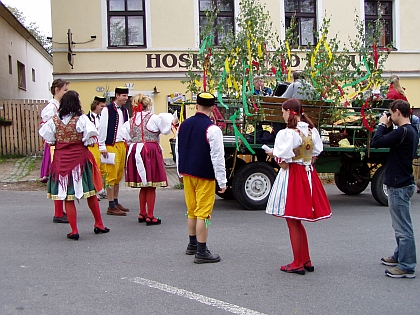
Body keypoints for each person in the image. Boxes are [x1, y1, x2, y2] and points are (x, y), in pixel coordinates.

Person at [265, 98, 332, 275]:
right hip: (307, 174)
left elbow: (284, 163)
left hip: (293, 176)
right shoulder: (311, 131)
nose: (282, 114)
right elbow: (314, 154)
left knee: (292, 219)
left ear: (289, 111)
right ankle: (306, 259)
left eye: (283, 111)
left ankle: (297, 262)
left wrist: (274, 154)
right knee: (297, 221)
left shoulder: (288, 133)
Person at [39, 90, 109, 240]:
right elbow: (90, 139)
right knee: (90, 193)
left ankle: (74, 230)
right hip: (79, 161)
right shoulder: (81, 119)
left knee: (67, 197)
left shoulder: (53, 120)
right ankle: (99, 224)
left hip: (60, 161)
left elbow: (50, 140)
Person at [176, 92, 227, 264]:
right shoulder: (212, 129)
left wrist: (179, 171)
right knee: (203, 214)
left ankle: (192, 244)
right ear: (213, 108)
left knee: (191, 210)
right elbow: (218, 158)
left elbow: (179, 150)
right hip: (205, 174)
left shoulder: (183, 125)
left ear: (196, 106)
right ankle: (202, 250)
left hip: (187, 172)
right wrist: (222, 181)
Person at [371, 100, 418, 279]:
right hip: (403, 182)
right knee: (400, 225)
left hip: (399, 185)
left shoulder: (403, 132)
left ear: (398, 112)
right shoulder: (411, 131)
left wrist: (383, 125)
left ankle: (407, 266)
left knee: (403, 228)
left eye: (391, 113)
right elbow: (391, 142)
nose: (390, 117)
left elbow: (377, 142)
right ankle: (400, 256)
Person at [123, 93, 177, 225]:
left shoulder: (131, 120)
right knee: (151, 185)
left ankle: (142, 213)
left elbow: (125, 136)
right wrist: (173, 122)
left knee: (143, 185)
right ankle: (150, 216)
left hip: (135, 150)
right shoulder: (153, 118)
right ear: (148, 106)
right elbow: (165, 130)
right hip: (149, 150)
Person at [40, 79, 70, 223]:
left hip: (58, 146)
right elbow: (47, 129)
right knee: (57, 177)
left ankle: (60, 210)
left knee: (61, 177)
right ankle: (58, 212)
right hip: (54, 147)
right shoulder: (52, 107)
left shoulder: (58, 106)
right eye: (64, 90)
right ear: (56, 89)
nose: (66, 92)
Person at [98, 87, 130, 216]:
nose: (125, 98)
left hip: (122, 144)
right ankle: (111, 205)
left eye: (126, 96)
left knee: (118, 175)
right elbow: (102, 127)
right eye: (123, 95)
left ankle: (116, 202)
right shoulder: (107, 110)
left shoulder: (125, 111)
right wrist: (101, 146)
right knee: (111, 175)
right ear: (116, 95)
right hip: (110, 145)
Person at [86, 96, 107, 200]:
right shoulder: (87, 118)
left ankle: (101, 188)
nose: (103, 109)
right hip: (92, 146)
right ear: (96, 105)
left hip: (101, 145)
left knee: (103, 168)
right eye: (101, 106)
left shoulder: (102, 117)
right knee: (94, 168)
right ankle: (95, 191)